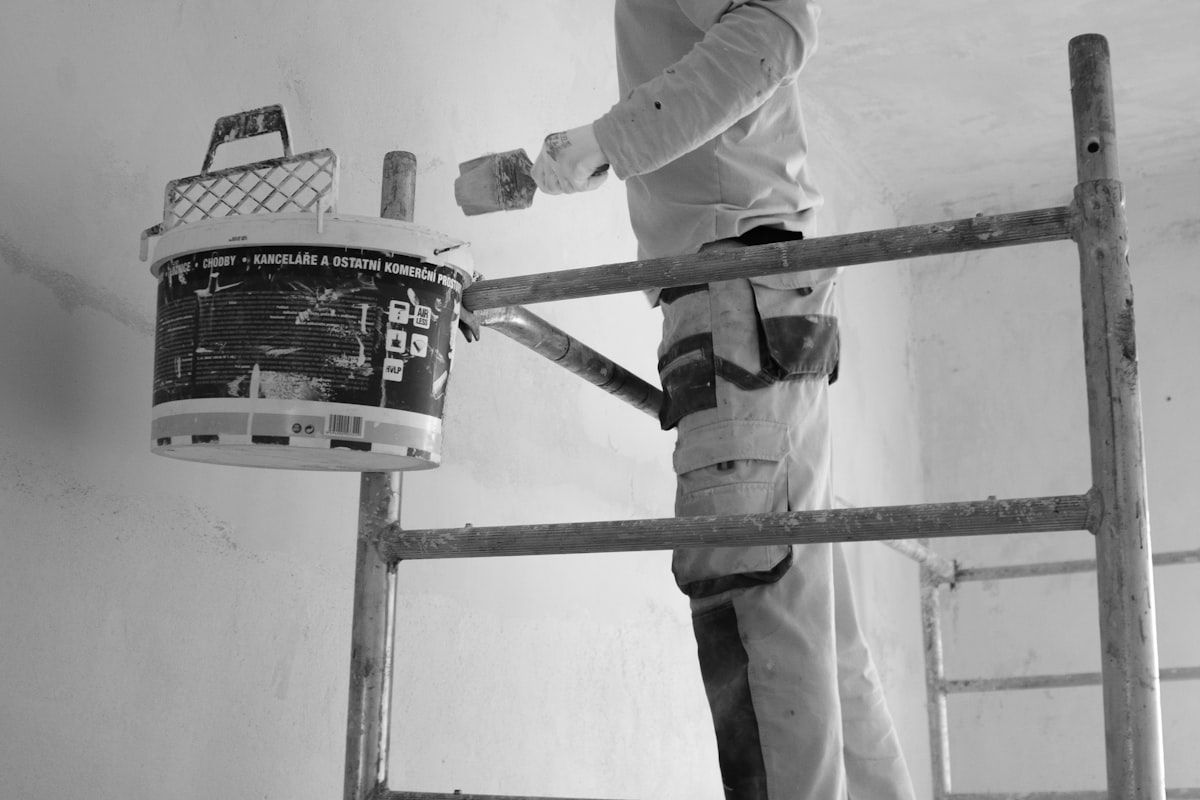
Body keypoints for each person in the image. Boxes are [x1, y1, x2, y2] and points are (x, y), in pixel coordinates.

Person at [528, 2, 916, 798]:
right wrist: (607, 151)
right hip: (761, 289)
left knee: (756, 597)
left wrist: (610, 140)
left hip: (736, 288)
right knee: (808, 607)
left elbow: (777, 28)